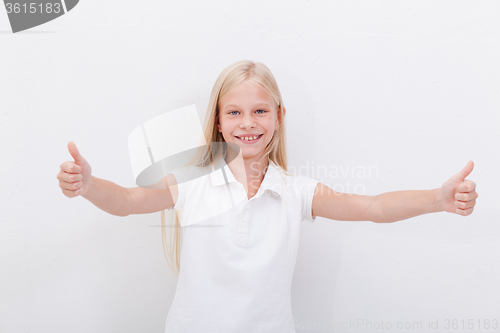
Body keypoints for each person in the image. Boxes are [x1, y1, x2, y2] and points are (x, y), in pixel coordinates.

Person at [57, 60, 478, 333]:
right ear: (219, 122)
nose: (247, 123)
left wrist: (436, 199)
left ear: (278, 117)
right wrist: (90, 186)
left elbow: (370, 207)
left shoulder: (295, 192)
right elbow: (130, 201)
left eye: (260, 110)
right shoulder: (191, 183)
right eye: (234, 112)